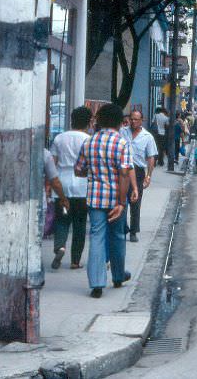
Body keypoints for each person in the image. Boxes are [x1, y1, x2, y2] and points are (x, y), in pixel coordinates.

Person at [75, 103, 137, 298]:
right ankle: (118, 276)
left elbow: (78, 169)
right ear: (120, 122)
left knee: (97, 237)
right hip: (116, 197)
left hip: (94, 198)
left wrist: (94, 172)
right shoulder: (122, 143)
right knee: (117, 237)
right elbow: (125, 173)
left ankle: (97, 283)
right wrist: (120, 203)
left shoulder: (89, 142)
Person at [50, 106, 92, 269]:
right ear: (88, 122)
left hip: (62, 185)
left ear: (71, 120)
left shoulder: (60, 138)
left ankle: (60, 246)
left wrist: (49, 185)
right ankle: (75, 261)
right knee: (80, 224)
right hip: (82, 186)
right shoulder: (88, 139)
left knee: (62, 220)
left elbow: (53, 163)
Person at [121, 110, 157, 243]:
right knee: (121, 200)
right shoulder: (122, 132)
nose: (133, 122)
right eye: (132, 119)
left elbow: (151, 157)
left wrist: (148, 176)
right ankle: (123, 227)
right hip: (123, 170)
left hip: (138, 171)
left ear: (142, 120)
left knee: (135, 202)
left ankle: (133, 231)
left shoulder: (147, 136)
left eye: (136, 119)